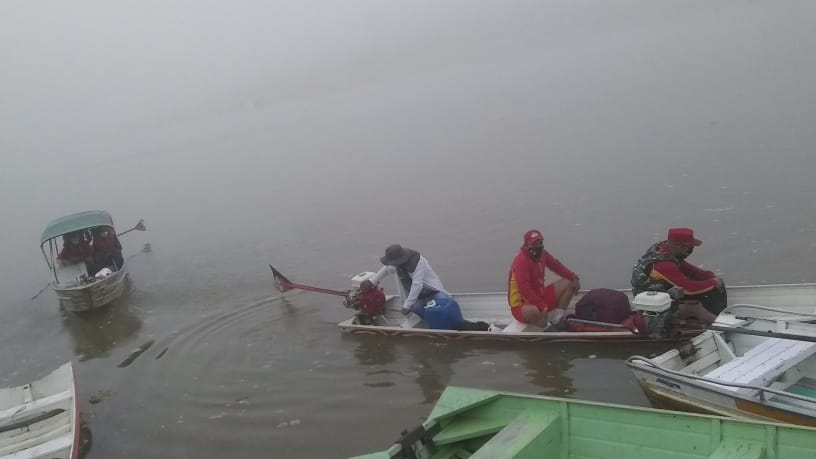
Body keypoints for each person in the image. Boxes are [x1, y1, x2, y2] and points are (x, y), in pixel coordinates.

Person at [631, 227, 726, 323]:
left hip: (662, 296)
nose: (689, 252)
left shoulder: (664, 250)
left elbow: (689, 269)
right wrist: (713, 282)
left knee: (708, 285)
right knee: (694, 306)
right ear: (679, 247)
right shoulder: (663, 264)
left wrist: (711, 276)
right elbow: (689, 288)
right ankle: (720, 324)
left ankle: (717, 317)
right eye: (690, 249)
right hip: (653, 308)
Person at [508, 229, 580, 327]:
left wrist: (573, 277)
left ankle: (557, 319)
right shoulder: (521, 261)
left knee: (570, 283)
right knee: (536, 311)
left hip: (540, 296)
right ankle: (544, 328)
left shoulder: (542, 254)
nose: (539, 246)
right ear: (527, 245)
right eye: (535, 244)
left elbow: (556, 266)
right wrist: (541, 305)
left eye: (540, 243)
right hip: (521, 306)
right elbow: (524, 289)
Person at [360, 244, 448, 316]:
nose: (393, 264)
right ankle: (429, 320)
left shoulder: (418, 262)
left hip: (431, 291)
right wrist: (372, 281)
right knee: (416, 308)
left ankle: (436, 321)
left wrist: (407, 306)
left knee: (441, 303)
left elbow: (417, 285)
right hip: (417, 296)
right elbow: (386, 269)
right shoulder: (397, 263)